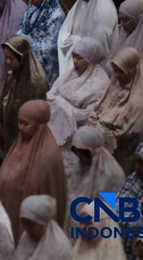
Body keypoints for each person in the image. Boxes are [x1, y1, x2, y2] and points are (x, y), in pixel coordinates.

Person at [0, 99, 67, 241]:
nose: (21, 127)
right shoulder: (19, 144)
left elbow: (44, 189)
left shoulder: (49, 155)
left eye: (26, 124)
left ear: (39, 125)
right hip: (11, 212)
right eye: (19, 122)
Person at [47, 37, 111, 174]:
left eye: (79, 58)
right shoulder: (70, 74)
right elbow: (50, 95)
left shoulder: (100, 84)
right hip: (57, 135)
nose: (75, 61)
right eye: (73, 56)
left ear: (90, 59)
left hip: (78, 142)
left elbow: (88, 115)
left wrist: (61, 105)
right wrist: (62, 105)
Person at [90, 47, 143, 173]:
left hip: (122, 156)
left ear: (132, 70)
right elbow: (98, 108)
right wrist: (95, 124)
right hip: (102, 144)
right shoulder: (116, 84)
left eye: (121, 71)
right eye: (115, 71)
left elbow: (132, 133)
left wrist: (103, 134)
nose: (117, 75)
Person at [57, 0, 118, 76]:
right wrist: (74, 41)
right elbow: (67, 29)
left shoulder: (104, 13)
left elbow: (99, 49)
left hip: (93, 66)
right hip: (78, 58)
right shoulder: (82, 3)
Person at [0, 36, 49, 150]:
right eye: (6, 58)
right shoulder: (12, 72)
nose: (8, 62)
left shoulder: (36, 81)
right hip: (9, 128)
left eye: (12, 58)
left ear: (22, 58)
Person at [58, 200, 129, 260]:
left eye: (88, 223)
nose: (82, 228)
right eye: (81, 223)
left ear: (102, 225)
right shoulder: (77, 253)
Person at [67, 126, 125, 223]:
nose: (79, 158)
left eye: (81, 154)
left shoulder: (112, 176)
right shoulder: (82, 166)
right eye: (77, 153)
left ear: (90, 152)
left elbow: (110, 208)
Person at [9, 195, 72, 260]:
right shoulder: (26, 238)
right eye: (25, 225)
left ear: (43, 222)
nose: (27, 229)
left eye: (30, 225)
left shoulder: (60, 247)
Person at [17, 0, 65, 85]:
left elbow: (51, 47)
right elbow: (22, 28)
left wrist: (29, 42)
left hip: (47, 67)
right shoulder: (32, 7)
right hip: (29, 59)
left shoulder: (56, 15)